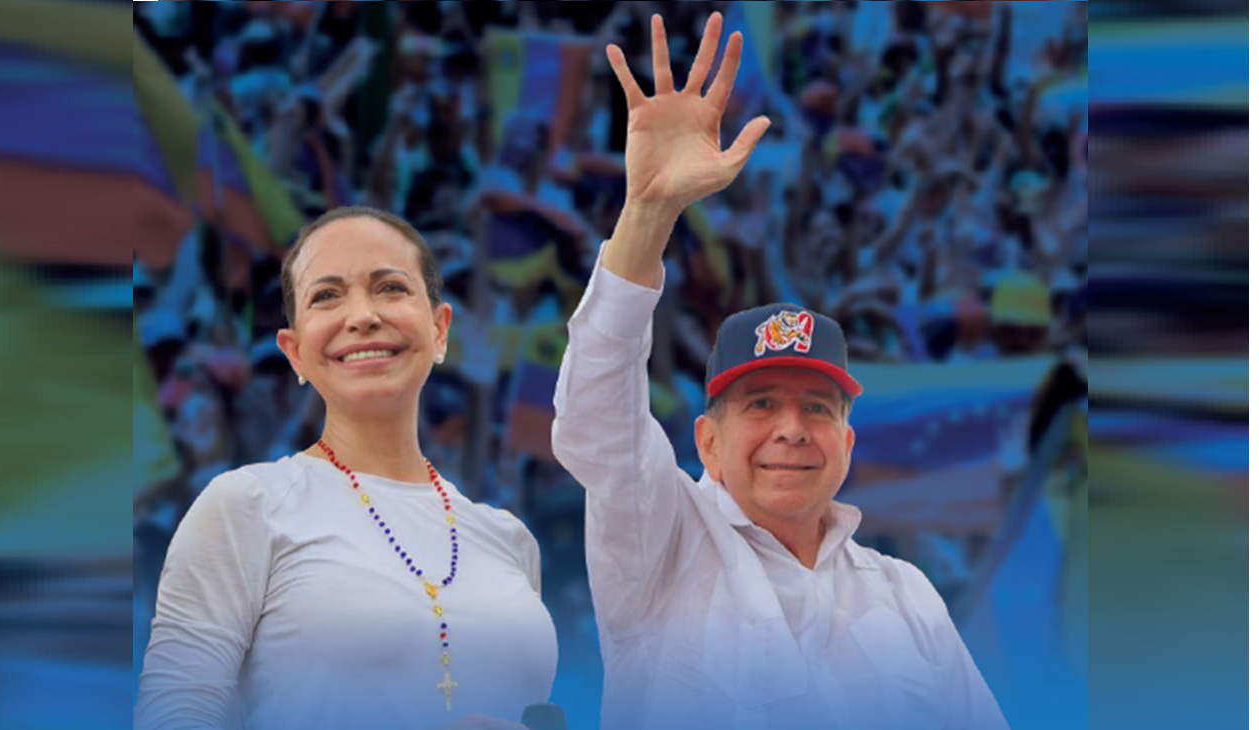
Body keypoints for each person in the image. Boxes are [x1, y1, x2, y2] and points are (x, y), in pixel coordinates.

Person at [551, 14, 1008, 730]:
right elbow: (593, 421)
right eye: (760, 403)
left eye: (818, 408)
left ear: (848, 444)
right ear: (705, 442)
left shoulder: (907, 597)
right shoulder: (661, 541)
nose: (792, 430)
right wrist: (648, 212)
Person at [136, 206, 557, 730]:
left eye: (390, 287)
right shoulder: (247, 507)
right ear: (294, 354)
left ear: (440, 328)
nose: (362, 316)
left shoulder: (510, 541)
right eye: (326, 296)